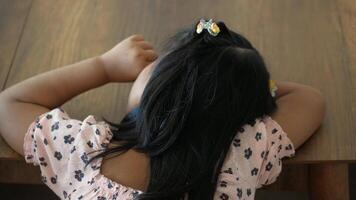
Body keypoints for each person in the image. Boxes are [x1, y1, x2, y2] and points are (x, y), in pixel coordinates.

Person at [0, 19, 325, 200]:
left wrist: (103, 67)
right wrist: (242, 84)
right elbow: (309, 100)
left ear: (152, 89)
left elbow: (9, 104)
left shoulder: (86, 153)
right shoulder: (240, 152)